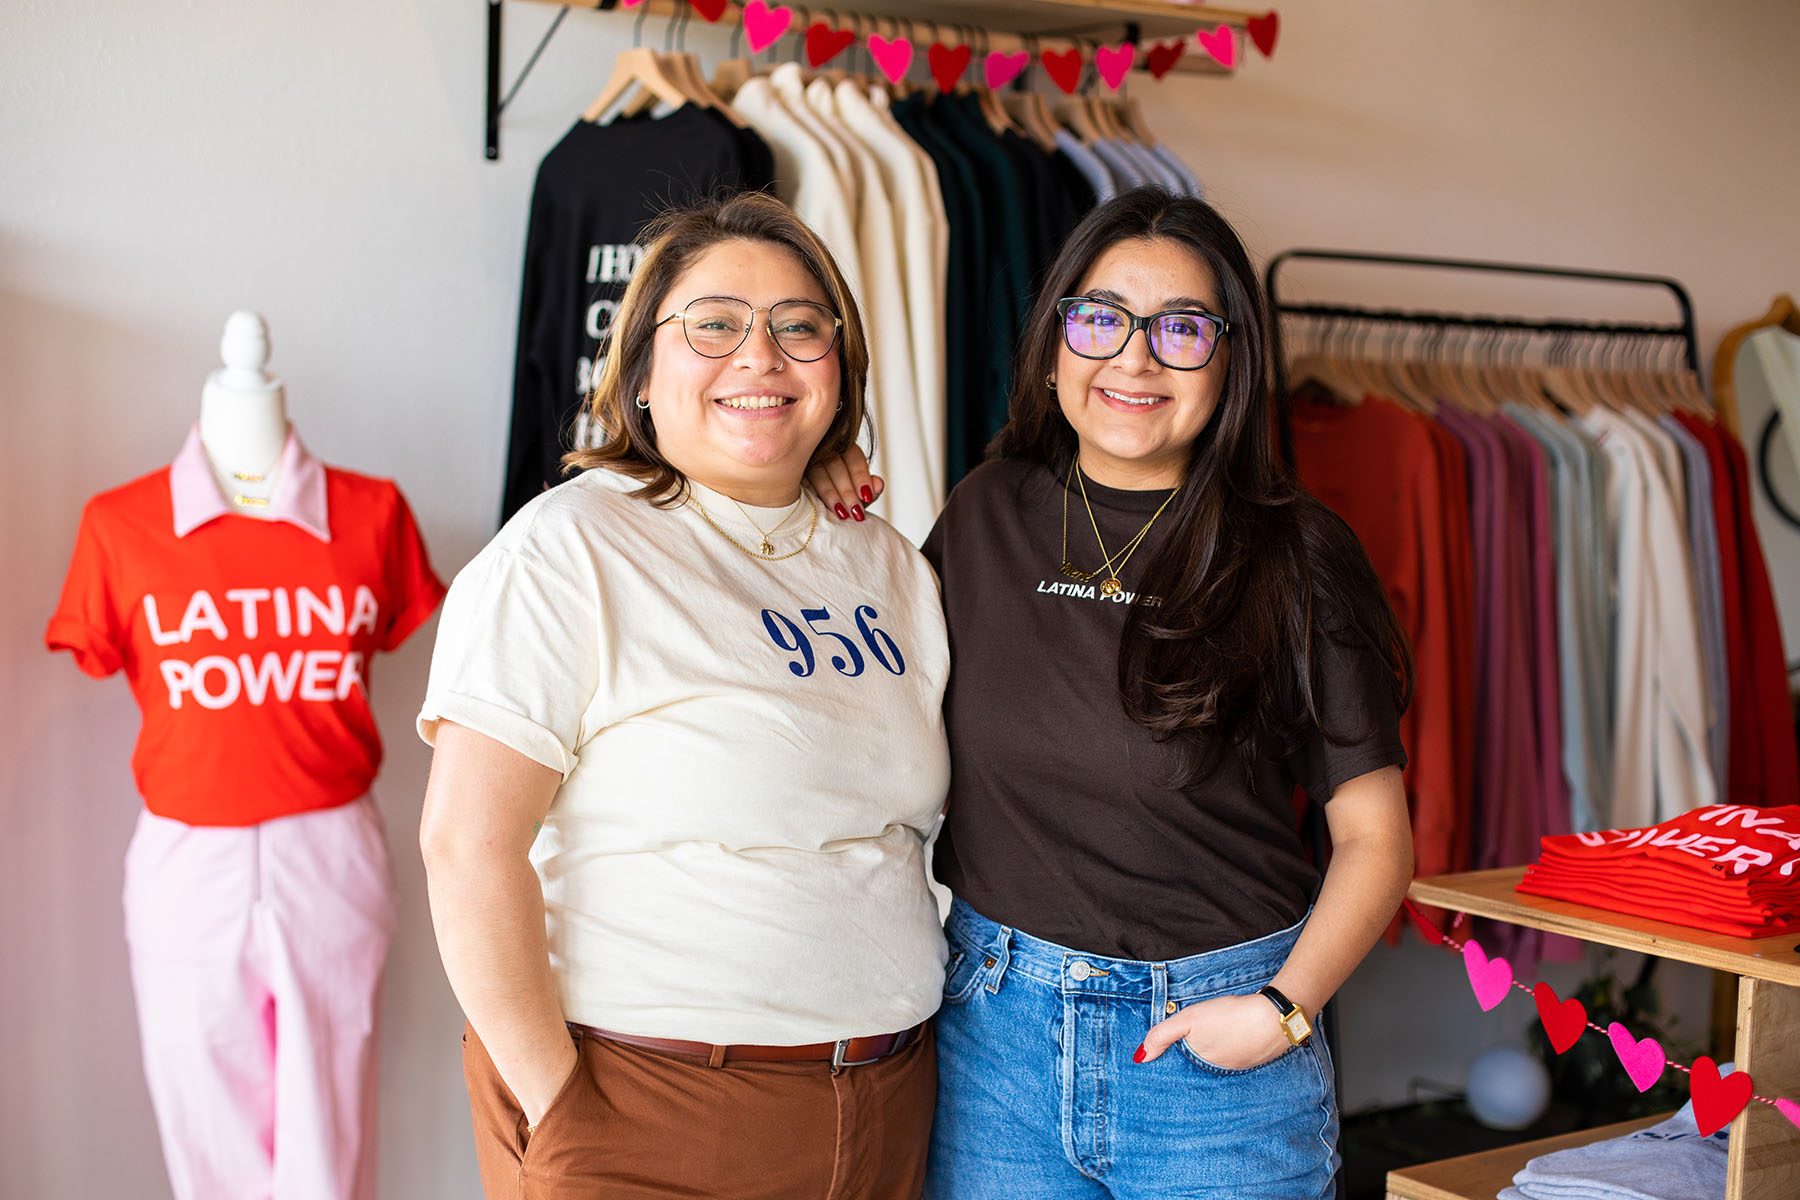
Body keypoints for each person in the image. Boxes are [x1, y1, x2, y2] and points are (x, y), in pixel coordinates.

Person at [810, 187, 1415, 1199]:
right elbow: (859, 677)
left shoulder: (1295, 556)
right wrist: (820, 474)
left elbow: (1376, 838)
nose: (1134, 358)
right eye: (1101, 319)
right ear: (1057, 343)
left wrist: (1283, 1010)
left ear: (1231, 359)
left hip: (1213, 1054)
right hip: (993, 1036)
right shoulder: (987, 512)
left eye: (1182, 329)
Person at [417, 192, 951, 1200]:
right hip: (648, 1103)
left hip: (887, 1102)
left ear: (841, 371)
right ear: (643, 375)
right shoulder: (571, 548)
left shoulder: (889, 565)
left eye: (799, 327)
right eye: (713, 325)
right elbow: (466, 844)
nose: (759, 356)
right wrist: (560, 1106)